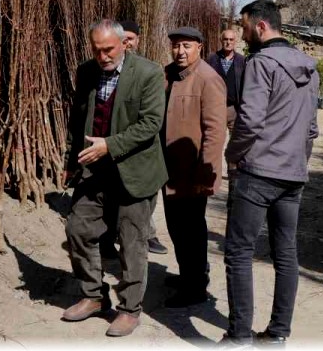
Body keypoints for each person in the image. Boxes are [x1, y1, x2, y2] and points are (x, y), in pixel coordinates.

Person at [221, 0, 319, 345]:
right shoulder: (309, 66)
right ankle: (278, 335)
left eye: (245, 27)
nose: (243, 34)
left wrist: (233, 155)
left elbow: (249, 121)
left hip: (258, 173)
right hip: (293, 175)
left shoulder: (261, 64)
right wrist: (297, 161)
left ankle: (239, 336)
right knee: (286, 253)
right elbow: (310, 130)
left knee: (238, 251)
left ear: (261, 27)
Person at [61, 20, 167, 337]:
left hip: (134, 171)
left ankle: (129, 309)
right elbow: (78, 118)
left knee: (132, 244)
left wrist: (110, 145)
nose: (103, 56)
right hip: (94, 170)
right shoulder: (87, 72)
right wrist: (71, 161)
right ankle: (94, 296)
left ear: (124, 44)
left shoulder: (148, 73)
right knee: (77, 229)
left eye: (108, 49)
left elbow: (151, 124)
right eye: (97, 50)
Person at [161, 26, 227, 307]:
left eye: (186, 45)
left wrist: (206, 174)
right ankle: (188, 274)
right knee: (176, 227)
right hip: (170, 170)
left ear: (200, 46)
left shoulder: (207, 79)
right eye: (176, 45)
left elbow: (215, 131)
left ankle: (195, 286)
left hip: (192, 172)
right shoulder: (169, 75)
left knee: (191, 230)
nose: (180, 51)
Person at [104, 20, 168, 257]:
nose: (127, 42)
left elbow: (152, 121)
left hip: (140, 152)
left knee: (139, 205)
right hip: (112, 151)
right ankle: (111, 241)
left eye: (131, 38)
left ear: (137, 40)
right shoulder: (105, 70)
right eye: (123, 38)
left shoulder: (149, 71)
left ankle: (146, 236)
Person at [205, 28, 247, 131]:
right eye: (225, 39)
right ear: (221, 40)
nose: (228, 42)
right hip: (215, 108)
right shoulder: (212, 59)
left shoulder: (242, 61)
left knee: (236, 141)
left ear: (235, 41)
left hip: (233, 109)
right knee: (214, 138)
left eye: (231, 39)